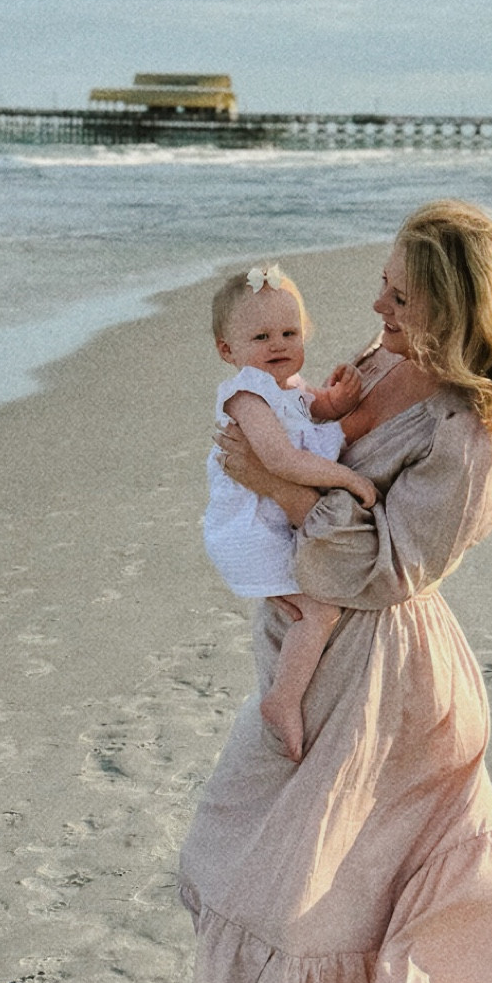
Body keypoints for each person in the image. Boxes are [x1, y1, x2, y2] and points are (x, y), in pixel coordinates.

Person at [169, 200, 492, 983]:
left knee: (309, 900)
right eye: (382, 285)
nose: (376, 307)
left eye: (401, 296)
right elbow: (289, 435)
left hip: (378, 678)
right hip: (309, 651)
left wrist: (278, 491)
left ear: (459, 312)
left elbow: (382, 567)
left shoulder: (469, 438)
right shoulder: (377, 364)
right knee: (246, 859)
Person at [203, 263, 378, 761]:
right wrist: (348, 477)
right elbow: (280, 460)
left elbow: (310, 416)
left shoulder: (289, 388)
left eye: (289, 332)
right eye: (260, 335)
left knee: (309, 603)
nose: (278, 343)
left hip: (271, 522)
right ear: (227, 350)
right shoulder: (245, 395)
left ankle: (289, 668)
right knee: (321, 610)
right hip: (248, 530)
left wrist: (335, 402)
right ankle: (282, 700)